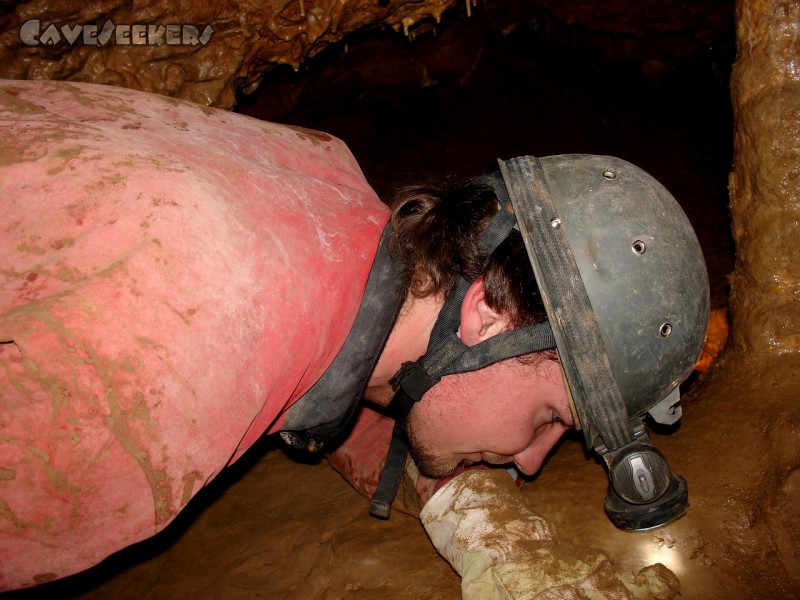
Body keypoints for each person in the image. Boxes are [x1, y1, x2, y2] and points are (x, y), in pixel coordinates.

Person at [0, 79, 708, 598]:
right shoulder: (148, 398)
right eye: (551, 417)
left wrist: (498, 543)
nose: (528, 462)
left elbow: (364, 394)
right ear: (487, 316)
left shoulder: (332, 196)